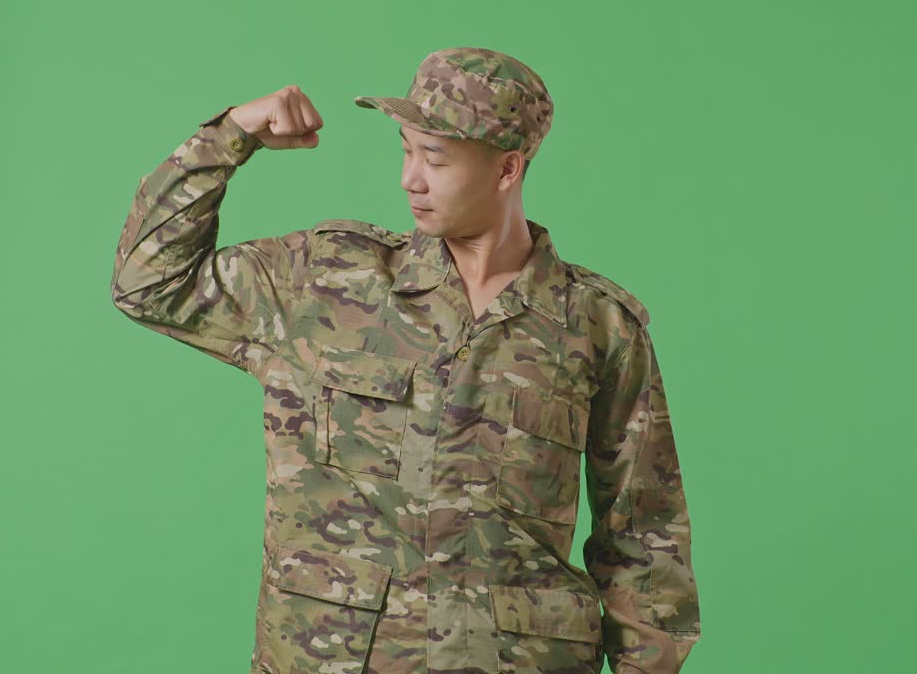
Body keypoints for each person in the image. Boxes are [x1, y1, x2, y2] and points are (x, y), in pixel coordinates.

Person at [110, 47, 701, 674]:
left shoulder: (596, 327)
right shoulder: (328, 280)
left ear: (508, 170)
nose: (409, 178)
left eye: (435, 158)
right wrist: (230, 135)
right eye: (406, 149)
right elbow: (149, 283)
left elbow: (645, 536)